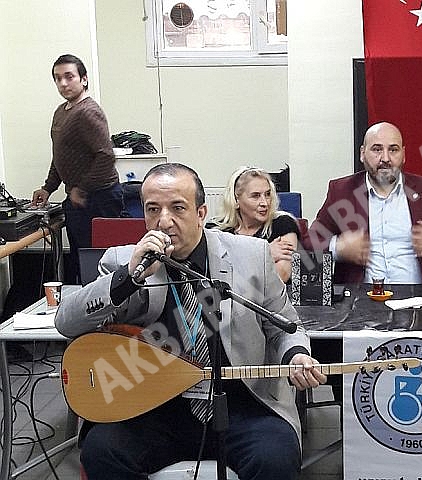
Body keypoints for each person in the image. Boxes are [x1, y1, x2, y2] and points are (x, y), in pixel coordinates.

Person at [55, 163, 326, 479]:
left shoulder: (251, 255)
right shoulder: (123, 262)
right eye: (153, 210)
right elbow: (66, 322)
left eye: (178, 208)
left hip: (240, 405)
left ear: (201, 213)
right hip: (153, 409)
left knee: (275, 458)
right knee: (101, 451)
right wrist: (127, 279)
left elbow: (285, 327)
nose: (164, 221)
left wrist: (296, 355)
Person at [307, 121, 422, 285]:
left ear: (403, 155)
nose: (385, 158)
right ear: (362, 153)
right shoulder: (342, 191)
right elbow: (309, 242)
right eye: (377, 149)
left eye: (393, 150)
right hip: (360, 296)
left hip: (420, 295)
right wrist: (338, 248)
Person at [31, 54, 123, 283]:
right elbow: (60, 156)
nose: (63, 83)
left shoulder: (88, 112)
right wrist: (48, 188)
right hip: (78, 201)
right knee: (81, 263)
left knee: (98, 266)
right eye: (58, 78)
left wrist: (81, 189)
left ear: (84, 79)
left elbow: (106, 156)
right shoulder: (61, 112)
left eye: (69, 77)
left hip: (99, 199)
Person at [212, 166, 299, 282]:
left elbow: (280, 276)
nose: (265, 203)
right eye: (255, 196)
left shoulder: (283, 224)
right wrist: (264, 255)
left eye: (267, 194)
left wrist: (236, 264)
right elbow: (215, 277)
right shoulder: (216, 230)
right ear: (236, 200)